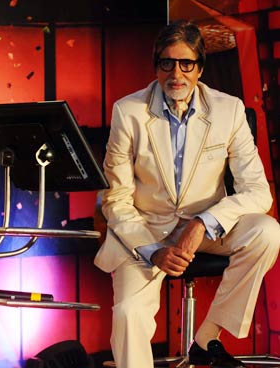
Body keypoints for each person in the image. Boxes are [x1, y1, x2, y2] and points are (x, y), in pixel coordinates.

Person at [94, 19, 280, 368]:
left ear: (200, 68)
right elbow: (115, 199)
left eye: (186, 64)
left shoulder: (228, 110)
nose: (176, 74)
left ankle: (207, 336)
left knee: (267, 232)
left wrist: (203, 222)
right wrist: (152, 251)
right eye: (167, 63)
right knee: (129, 314)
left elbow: (258, 192)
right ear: (156, 67)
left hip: (205, 232)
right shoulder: (128, 112)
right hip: (145, 231)